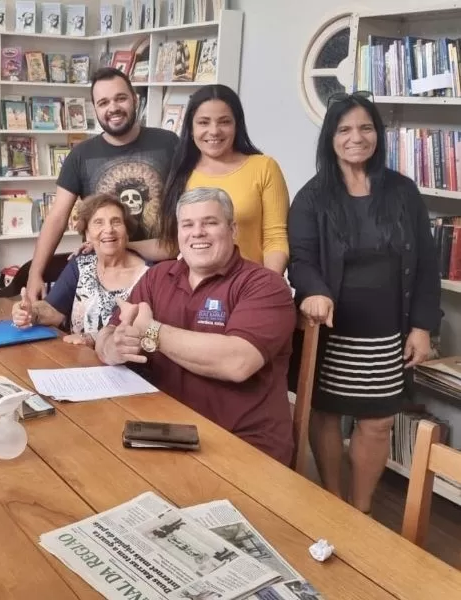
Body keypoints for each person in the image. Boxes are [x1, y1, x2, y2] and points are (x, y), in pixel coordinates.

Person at [287, 92, 441, 513]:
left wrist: (423, 326)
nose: (357, 137)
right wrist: (315, 290)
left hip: (388, 332)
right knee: (326, 416)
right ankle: (334, 500)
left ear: (378, 134)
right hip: (333, 332)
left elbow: (427, 265)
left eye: (366, 128)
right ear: (331, 138)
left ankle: (360, 509)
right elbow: (300, 261)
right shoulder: (312, 196)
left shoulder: (403, 192)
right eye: (345, 129)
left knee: (379, 423)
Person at [95, 187, 296, 465]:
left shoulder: (264, 285)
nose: (197, 232)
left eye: (210, 223)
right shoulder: (157, 276)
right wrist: (115, 347)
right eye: (187, 224)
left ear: (233, 229)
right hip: (162, 431)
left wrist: (150, 330)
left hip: (241, 446)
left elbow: (237, 362)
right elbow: (107, 334)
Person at [25, 67, 179, 304]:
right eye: (103, 102)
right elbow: (56, 217)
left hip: (163, 275)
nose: (113, 108)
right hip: (103, 280)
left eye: (120, 98)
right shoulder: (81, 155)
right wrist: (35, 274)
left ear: (135, 99)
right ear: (95, 108)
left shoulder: (168, 143)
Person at [157, 84, 290, 274]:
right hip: (196, 288)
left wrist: (267, 285)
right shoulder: (180, 172)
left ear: (237, 125)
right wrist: (125, 244)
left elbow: (275, 238)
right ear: (191, 128)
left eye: (224, 122)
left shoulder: (263, 167)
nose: (214, 131)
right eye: (203, 122)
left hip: (250, 285)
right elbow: (171, 244)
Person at [11, 193, 149, 345]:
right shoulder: (81, 264)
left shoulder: (148, 276)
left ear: (127, 232)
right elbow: (53, 310)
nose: (108, 229)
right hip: (76, 358)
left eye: (116, 222)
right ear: (87, 235)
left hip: (125, 363)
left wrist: (91, 340)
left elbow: (145, 331)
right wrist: (30, 312)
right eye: (98, 222)